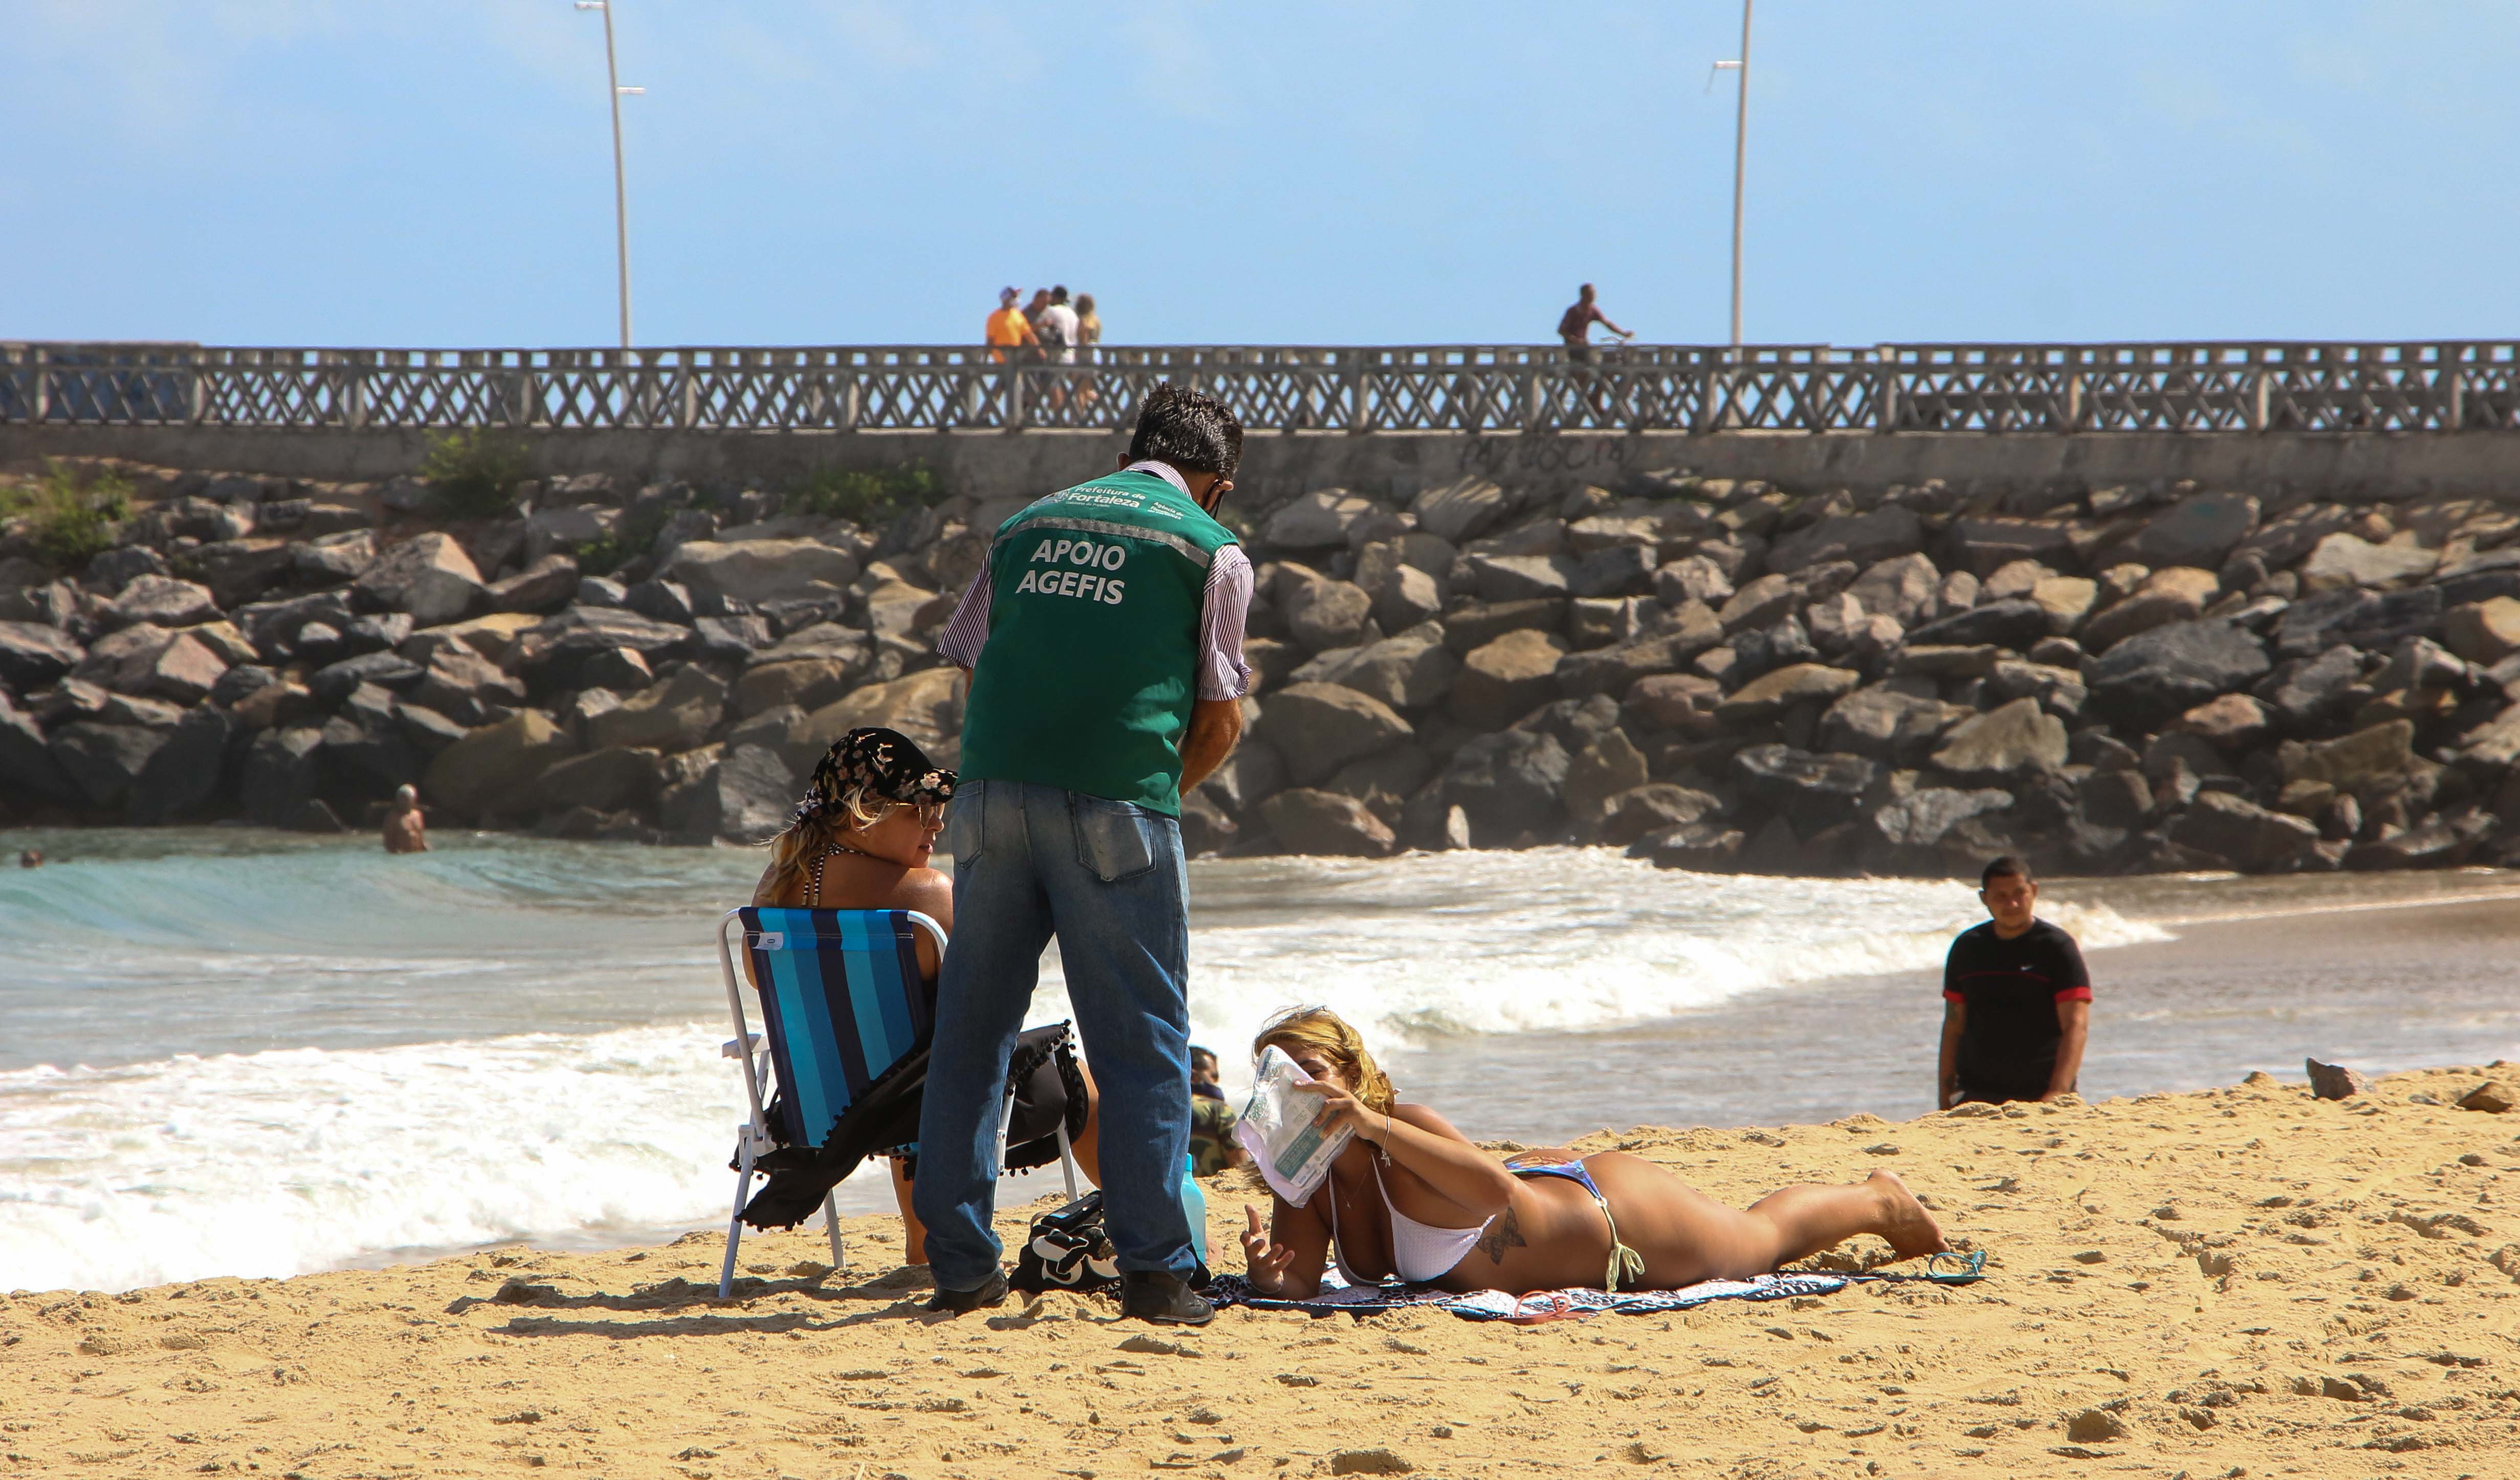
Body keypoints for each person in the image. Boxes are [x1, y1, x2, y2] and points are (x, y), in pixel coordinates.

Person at [917, 384, 1255, 1325]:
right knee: (1141, 1042)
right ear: (1216, 485)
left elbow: (975, 661)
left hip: (988, 795)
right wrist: (1146, 795)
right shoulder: (1209, 546)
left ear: (1128, 450)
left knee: (972, 1034)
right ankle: (1156, 1272)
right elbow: (1221, 716)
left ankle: (959, 1265)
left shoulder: (1025, 524)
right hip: (1119, 805)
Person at [1237, 1008, 1949, 1300]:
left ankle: (1877, 1197)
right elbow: (1298, 1280)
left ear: (1354, 1075)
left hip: (1613, 1217)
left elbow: (1490, 1190)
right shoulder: (1303, 1169)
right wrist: (1269, 1275)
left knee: (1760, 1241)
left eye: (1314, 1070)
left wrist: (1369, 1121)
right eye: (1282, 1075)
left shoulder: (1400, 1124)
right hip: (1541, 1198)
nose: (1299, 1088)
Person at [751, 728, 1102, 1265]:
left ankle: (921, 1245)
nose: (938, 821)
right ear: (862, 810)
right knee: (1087, 1090)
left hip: (818, 1103)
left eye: (939, 806)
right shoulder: (926, 894)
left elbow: (760, 981)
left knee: (909, 1052)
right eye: (918, 808)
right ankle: (1152, 1223)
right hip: (913, 1105)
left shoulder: (775, 890)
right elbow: (984, 998)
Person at [1937, 856, 2092, 1108]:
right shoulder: (1967, 948)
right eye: (2000, 896)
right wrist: (1945, 1100)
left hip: (2041, 1093)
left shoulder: (2057, 948)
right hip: (1976, 1094)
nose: (2012, 903)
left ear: (2034, 891)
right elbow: (1954, 1026)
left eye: (2020, 893)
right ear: (1984, 898)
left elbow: (2076, 1026)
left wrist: (2057, 1092)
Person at [1557, 283, 1634, 418]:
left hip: (1585, 348)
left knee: (1606, 368)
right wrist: (1575, 340)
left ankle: (1598, 400)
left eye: (1594, 294)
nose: (1593, 297)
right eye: (1590, 294)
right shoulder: (1573, 311)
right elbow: (1561, 330)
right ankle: (1591, 402)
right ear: (1583, 295)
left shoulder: (1592, 310)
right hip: (1574, 350)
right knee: (1588, 375)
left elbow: (1606, 323)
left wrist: (1622, 333)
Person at [1187, 1047, 1248, 1177]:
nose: (1217, 1082)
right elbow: (1241, 1167)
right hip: (1205, 1194)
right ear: (1194, 1077)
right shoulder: (1219, 1110)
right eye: (1214, 1076)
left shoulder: (1157, 1108)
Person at [985, 287, 1036, 364]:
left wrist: (1039, 349)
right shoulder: (994, 318)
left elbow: (1029, 335)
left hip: (1016, 361)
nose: (1015, 300)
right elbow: (990, 341)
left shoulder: (1018, 315)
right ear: (1006, 299)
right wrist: (986, 359)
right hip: (1001, 363)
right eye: (1013, 298)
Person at [382, 786, 428, 854]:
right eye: (401, 799)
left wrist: (426, 848)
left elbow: (420, 836)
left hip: (417, 855)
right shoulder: (392, 817)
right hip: (402, 855)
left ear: (413, 800)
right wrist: (397, 854)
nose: (403, 802)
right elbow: (387, 842)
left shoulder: (418, 815)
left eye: (406, 799)